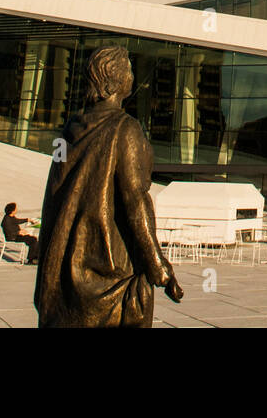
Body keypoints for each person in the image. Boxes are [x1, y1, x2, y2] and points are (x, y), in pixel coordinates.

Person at [35, 45, 183, 327]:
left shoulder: (69, 130)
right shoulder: (124, 129)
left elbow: (52, 197)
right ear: (114, 78)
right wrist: (157, 264)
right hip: (108, 275)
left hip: (65, 273)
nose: (132, 74)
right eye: (128, 68)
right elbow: (136, 201)